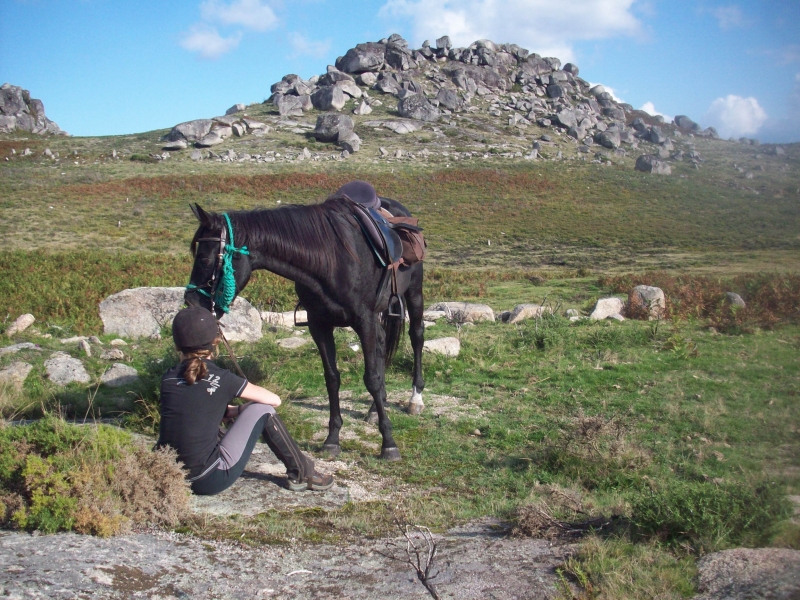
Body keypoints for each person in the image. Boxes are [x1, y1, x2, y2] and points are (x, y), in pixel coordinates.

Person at [157, 306, 334, 495]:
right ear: (215, 342)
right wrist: (240, 410)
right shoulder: (223, 378)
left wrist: (229, 411)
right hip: (206, 480)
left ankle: (302, 473)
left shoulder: (168, 378)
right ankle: (303, 474)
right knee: (263, 410)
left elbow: (194, 407)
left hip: (170, 475)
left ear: (177, 345)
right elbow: (274, 400)